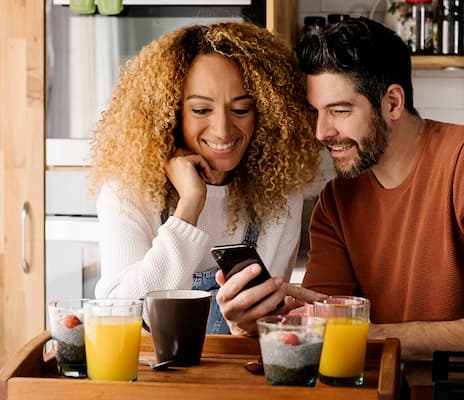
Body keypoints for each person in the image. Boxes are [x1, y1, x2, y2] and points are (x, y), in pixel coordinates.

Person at [216, 17, 464, 360]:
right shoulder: (337, 202)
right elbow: (322, 337)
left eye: (339, 111)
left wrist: (369, 336)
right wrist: (252, 326)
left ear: (393, 103)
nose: (321, 132)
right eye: (315, 113)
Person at [89, 22, 321, 334]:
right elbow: (119, 316)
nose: (223, 130)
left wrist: (248, 324)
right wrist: (190, 205)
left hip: (234, 376)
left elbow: (263, 326)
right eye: (201, 110)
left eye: (240, 110)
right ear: (171, 113)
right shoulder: (127, 189)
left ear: (264, 114)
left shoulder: (280, 194)